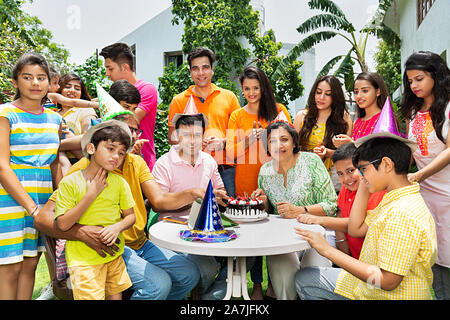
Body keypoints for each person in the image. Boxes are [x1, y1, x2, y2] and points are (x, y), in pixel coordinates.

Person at [34, 116, 204, 300]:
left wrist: (195, 192)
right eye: (123, 127)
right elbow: (42, 219)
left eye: (134, 130)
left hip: (140, 243)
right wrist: (80, 232)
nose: (129, 134)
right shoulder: (84, 170)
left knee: (189, 274)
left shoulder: (135, 163)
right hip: (109, 248)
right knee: (158, 285)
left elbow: (159, 200)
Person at [295, 136, 437, 300]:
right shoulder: (396, 199)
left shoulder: (401, 213)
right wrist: (366, 181)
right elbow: (356, 229)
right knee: (305, 278)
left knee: (305, 280)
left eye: (363, 169)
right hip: (372, 287)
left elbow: (388, 281)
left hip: (387, 294)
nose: (360, 176)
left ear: (386, 164)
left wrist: (326, 250)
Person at [0, 52, 63, 300]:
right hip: (10, 199)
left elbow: (56, 161)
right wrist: (32, 208)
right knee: (10, 268)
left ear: (49, 82)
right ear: (15, 82)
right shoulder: (6, 113)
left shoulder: (55, 119)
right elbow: (2, 166)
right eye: (28, 77)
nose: (35, 83)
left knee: (30, 265)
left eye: (41, 77)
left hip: (44, 199)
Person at [252, 121, 337, 300]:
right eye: (272, 141)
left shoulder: (311, 161)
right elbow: (268, 213)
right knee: (282, 268)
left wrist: (300, 210)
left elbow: (330, 205)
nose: (279, 145)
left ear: (293, 142)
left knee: (312, 272)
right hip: (282, 238)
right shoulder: (265, 171)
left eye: (284, 139)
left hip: (318, 233)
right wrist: (264, 201)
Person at [226, 66, 290, 300]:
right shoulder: (237, 115)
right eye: (247, 89)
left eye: (256, 88)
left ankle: (274, 282)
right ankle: (255, 284)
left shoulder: (278, 110)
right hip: (245, 178)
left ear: (263, 87)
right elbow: (231, 153)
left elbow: (289, 143)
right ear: (241, 90)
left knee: (274, 231)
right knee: (251, 235)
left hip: (275, 178)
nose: (251, 93)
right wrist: (247, 140)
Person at [54, 120, 136, 300]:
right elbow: (62, 224)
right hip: (84, 262)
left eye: (121, 153)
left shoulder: (120, 183)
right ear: (91, 148)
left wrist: (117, 228)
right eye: (110, 149)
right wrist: (91, 194)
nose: (116, 156)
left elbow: (130, 217)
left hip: (114, 256)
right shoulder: (71, 182)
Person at [152, 113, 228, 298]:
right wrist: (193, 198)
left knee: (244, 257)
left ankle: (210, 295)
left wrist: (220, 197)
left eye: (196, 135)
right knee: (206, 268)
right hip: (174, 230)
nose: (192, 141)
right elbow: (158, 205)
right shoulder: (164, 163)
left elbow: (221, 191)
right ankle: (206, 293)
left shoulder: (208, 161)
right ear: (177, 136)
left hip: (206, 229)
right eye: (186, 135)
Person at [400, 51, 450, 300]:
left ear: (436, 76)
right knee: (434, 257)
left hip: (448, 194)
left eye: (419, 78)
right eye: (410, 81)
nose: (414, 85)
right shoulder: (413, 111)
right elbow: (412, 150)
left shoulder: (449, 107)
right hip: (425, 197)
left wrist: (419, 175)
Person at [168, 47, 241, 198]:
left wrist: (223, 142)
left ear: (212, 70)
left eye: (205, 67)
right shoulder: (179, 100)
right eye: (196, 68)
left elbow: (239, 136)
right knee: (193, 215)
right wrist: (193, 141)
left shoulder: (229, 97)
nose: (201, 73)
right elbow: (172, 138)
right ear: (190, 72)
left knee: (228, 214)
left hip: (225, 169)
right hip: (192, 169)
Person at [297, 143, 385, 259]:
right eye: (340, 174)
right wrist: (340, 238)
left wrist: (319, 219)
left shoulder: (375, 191)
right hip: (352, 255)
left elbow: (360, 224)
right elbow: (340, 211)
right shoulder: (346, 188)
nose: (346, 179)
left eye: (350, 171)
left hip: (371, 262)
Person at [100, 42, 158, 170]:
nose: (107, 74)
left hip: (141, 164)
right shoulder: (114, 93)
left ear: (125, 68)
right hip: (115, 163)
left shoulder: (147, 90)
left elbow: (124, 120)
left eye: (110, 69)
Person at [294, 75, 352, 174]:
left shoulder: (344, 119)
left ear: (335, 97)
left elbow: (346, 155)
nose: (321, 97)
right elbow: (291, 150)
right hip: (302, 175)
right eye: (318, 92)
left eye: (328, 94)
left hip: (332, 180)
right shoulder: (302, 116)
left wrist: (327, 152)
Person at [332, 72, 389, 147]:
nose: (359, 96)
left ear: (378, 91)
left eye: (365, 91)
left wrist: (352, 144)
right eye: (356, 92)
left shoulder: (385, 120)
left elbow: (383, 152)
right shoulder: (357, 122)